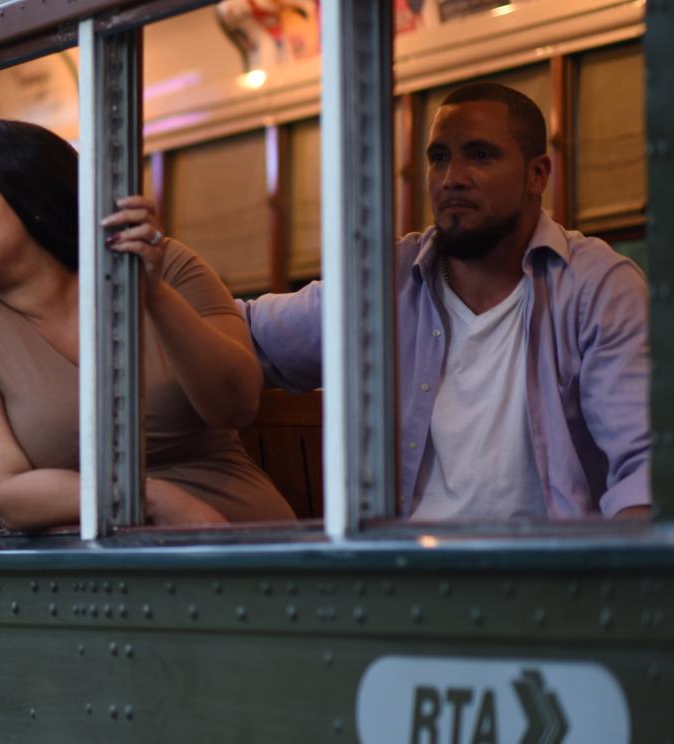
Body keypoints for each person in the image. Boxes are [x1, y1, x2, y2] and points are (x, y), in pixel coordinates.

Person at [240, 83, 649, 520]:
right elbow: (242, 333)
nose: (452, 177)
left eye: (480, 155)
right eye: (439, 158)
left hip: (551, 580)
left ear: (538, 175)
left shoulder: (598, 288)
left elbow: (645, 469)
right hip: (402, 574)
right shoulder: (384, 283)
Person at [0, 119, 295, 529]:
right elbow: (6, 494)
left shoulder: (166, 264)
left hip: (247, 534)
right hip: (103, 564)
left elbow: (236, 405)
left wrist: (152, 294)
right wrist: (151, 498)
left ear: (33, 193)